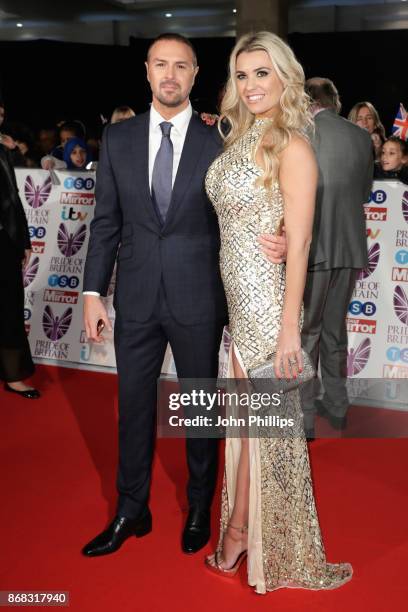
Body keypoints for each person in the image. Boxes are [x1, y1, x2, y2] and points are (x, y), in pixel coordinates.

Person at [82, 32, 288, 559]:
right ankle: (132, 509)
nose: (170, 75)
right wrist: (90, 292)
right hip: (137, 296)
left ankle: (200, 506)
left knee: (199, 410)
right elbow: (106, 224)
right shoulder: (119, 139)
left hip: (200, 296)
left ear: (197, 75)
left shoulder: (221, 138)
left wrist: (284, 234)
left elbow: (255, 201)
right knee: (132, 408)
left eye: (181, 66)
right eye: (160, 65)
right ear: (147, 72)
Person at [204, 32, 352, 594]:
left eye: (262, 73)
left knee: (262, 424)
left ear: (285, 77)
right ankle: (243, 530)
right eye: (242, 75)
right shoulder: (240, 136)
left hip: (267, 303)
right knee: (245, 425)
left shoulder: (292, 144)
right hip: (237, 300)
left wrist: (290, 328)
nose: (251, 85)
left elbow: (302, 240)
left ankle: (246, 534)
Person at [298, 78, 373, 434]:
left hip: (312, 248)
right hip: (350, 246)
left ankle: (305, 415)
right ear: (334, 101)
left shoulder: (299, 133)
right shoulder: (360, 136)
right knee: (334, 331)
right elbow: (364, 192)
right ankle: (338, 405)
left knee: (308, 334)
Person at [0, 119, 40, 399]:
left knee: (9, 308)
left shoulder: (3, 151)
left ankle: (13, 375)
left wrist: (24, 241)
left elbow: (13, 198)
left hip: (5, 242)